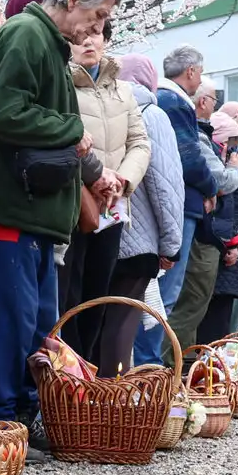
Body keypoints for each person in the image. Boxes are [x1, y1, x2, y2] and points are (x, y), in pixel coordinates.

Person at [0, 0, 120, 442]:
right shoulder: (27, 35)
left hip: (35, 210)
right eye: (96, 15)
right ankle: (2, 418)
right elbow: (1, 114)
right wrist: (75, 130)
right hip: (15, 206)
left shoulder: (45, 43)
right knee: (15, 321)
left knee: (38, 326)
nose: (98, 27)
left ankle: (27, 414)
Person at [62, 20, 148, 364]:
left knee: (99, 292)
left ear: (106, 40)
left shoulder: (122, 89)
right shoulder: (61, 84)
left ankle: (90, 379)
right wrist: (96, 177)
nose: (87, 42)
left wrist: (122, 181)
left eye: (94, 35)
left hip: (112, 205)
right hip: (73, 199)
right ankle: (67, 378)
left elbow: (140, 142)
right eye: (79, 36)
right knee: (69, 292)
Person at [134, 44, 217, 365]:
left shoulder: (163, 100)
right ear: (192, 72)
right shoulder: (174, 103)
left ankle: (149, 364)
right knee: (163, 296)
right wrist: (211, 188)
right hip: (177, 208)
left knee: (160, 294)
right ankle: (150, 367)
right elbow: (188, 157)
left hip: (174, 206)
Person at [100, 55, 182, 376]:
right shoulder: (152, 114)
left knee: (96, 320)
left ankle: (85, 398)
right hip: (139, 241)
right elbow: (167, 187)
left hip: (102, 229)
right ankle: (113, 401)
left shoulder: (107, 107)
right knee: (122, 324)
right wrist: (171, 245)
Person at [162, 98, 238, 367]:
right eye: (231, 140)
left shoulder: (214, 150)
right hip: (203, 236)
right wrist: (232, 170)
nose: (234, 148)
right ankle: (168, 365)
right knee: (190, 302)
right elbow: (224, 184)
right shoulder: (208, 150)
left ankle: (179, 363)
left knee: (195, 304)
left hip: (212, 237)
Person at [197, 112, 238, 342]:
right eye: (232, 143)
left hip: (232, 250)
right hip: (223, 249)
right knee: (213, 317)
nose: (236, 150)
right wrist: (231, 242)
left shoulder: (231, 168)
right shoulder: (224, 169)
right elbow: (225, 207)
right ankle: (204, 367)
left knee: (225, 318)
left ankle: (215, 364)